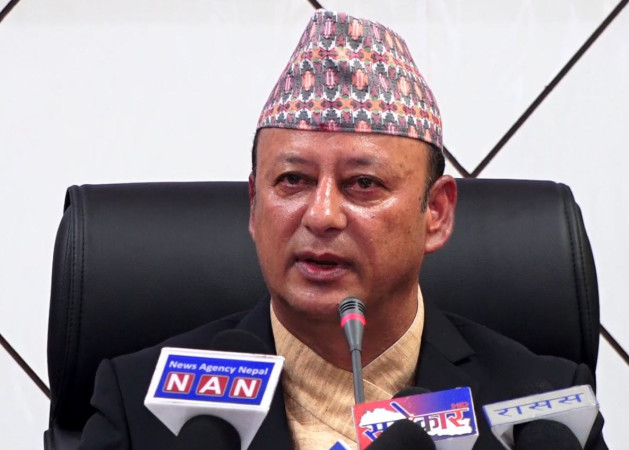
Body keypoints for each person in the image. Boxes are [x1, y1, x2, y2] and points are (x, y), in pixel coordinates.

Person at [79, 9, 606, 449]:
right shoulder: (140, 406)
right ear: (254, 205)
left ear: (436, 213)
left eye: (363, 184)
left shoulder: (541, 414)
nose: (322, 215)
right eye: (292, 180)